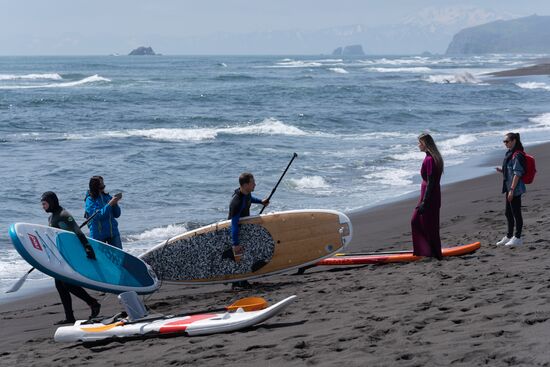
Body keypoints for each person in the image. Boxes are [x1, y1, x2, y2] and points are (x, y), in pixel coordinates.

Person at [41, 191, 101, 324]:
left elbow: (77, 231)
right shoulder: (51, 218)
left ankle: (93, 303)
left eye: (44, 204)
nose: (43, 207)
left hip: (69, 256)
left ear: (51, 202)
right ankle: (69, 317)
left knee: (67, 284)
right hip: (60, 255)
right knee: (60, 285)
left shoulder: (63, 215)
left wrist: (87, 247)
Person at [228, 172, 269, 288]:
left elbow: (250, 199)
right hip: (237, 232)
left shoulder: (246, 194)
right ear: (245, 185)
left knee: (247, 255)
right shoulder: (236, 202)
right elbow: (234, 224)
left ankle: (241, 281)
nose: (255, 184)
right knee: (240, 257)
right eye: (252, 183)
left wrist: (261, 201)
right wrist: (235, 243)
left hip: (244, 230)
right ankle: (238, 282)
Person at [411, 133, 444, 259]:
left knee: (423, 223)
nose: (418, 145)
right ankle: (429, 251)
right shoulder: (432, 157)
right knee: (426, 223)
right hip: (429, 195)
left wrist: (425, 201)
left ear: (425, 144)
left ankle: (433, 253)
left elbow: (431, 182)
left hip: (429, 196)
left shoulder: (430, 159)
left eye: (420, 142)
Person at [495, 132, 526, 246]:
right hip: (509, 187)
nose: (505, 143)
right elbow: (510, 170)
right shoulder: (509, 153)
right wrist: (502, 170)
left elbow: (517, 173)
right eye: (504, 141)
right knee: (508, 213)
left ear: (514, 141)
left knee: (516, 213)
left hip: (515, 188)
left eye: (507, 141)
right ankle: (509, 236)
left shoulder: (517, 155)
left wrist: (512, 190)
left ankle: (517, 238)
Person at [84, 176, 123, 249]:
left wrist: (115, 204)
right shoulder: (90, 200)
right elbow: (97, 216)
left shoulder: (107, 197)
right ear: (95, 186)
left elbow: (117, 214)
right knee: (100, 257)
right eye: (101, 184)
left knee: (119, 256)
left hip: (112, 232)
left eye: (103, 183)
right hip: (98, 234)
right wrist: (110, 204)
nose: (103, 185)